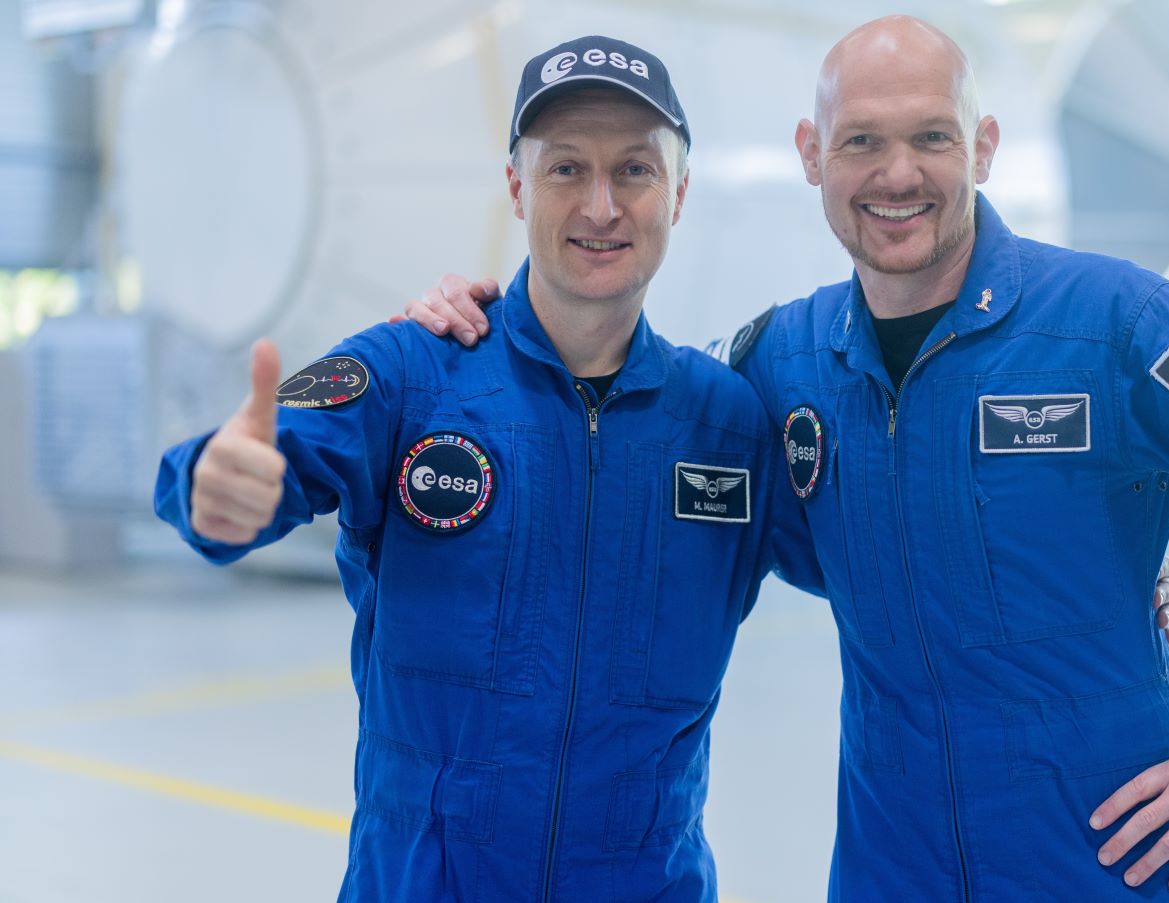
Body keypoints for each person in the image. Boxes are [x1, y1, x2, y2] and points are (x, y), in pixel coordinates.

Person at [410, 17, 1169, 903]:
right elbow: (644, 436)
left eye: (929, 138)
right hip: (891, 874)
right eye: (861, 142)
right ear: (812, 155)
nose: (897, 175)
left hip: (1109, 871)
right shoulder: (780, 362)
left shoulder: (1126, 325)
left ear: (981, 145)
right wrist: (478, 327)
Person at [154, 36, 830, 902]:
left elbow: (893, 590)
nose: (601, 205)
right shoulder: (411, 374)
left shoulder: (728, 425)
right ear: (515, 187)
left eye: (634, 170)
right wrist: (210, 485)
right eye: (563, 170)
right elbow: (251, 462)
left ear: (680, 193)